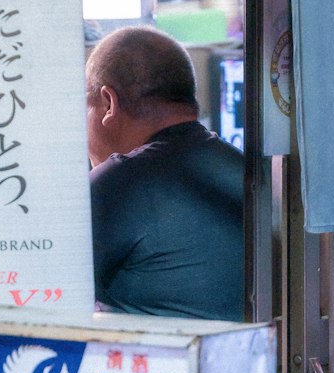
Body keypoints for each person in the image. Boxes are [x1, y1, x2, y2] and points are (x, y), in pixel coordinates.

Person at [86, 25, 245, 321]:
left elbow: (44, 289)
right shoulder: (245, 170)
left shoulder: (120, 183)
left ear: (108, 102)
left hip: (154, 366)